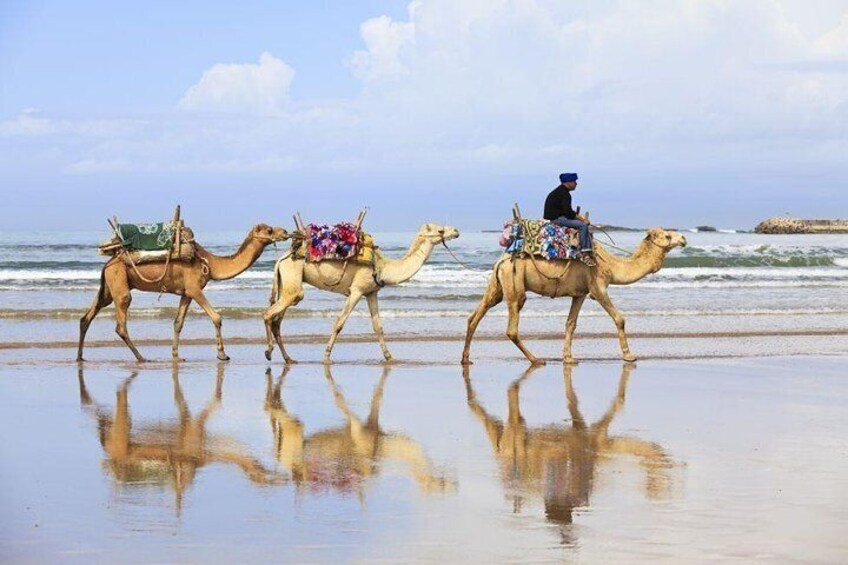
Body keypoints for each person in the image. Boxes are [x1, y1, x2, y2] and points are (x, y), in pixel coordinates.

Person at [543, 172, 595, 266]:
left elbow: (567, 212)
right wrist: (583, 220)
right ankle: (585, 254)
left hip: (557, 217)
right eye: (574, 181)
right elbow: (569, 213)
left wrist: (576, 217)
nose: (576, 184)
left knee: (579, 223)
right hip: (557, 219)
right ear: (568, 182)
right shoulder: (564, 194)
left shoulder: (559, 192)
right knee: (583, 226)